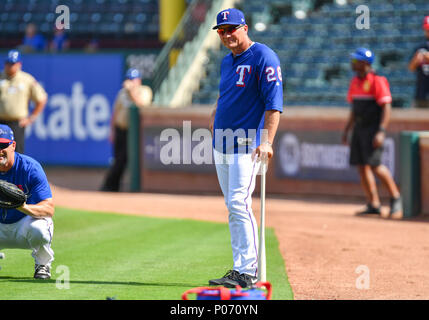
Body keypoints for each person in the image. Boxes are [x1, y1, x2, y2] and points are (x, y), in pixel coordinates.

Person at [208, 8, 283, 288]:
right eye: (221, 30)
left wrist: (267, 141)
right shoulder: (228, 61)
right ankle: (241, 267)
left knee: (239, 203)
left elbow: (273, 103)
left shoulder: (263, 56)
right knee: (232, 205)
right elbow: (226, 94)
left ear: (245, 27)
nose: (227, 34)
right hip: (221, 143)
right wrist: (215, 114)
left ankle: (247, 270)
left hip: (246, 144)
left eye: (231, 28)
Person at [342, 48, 403, 219]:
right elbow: (354, 109)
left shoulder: (377, 80)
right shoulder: (354, 81)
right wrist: (347, 130)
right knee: (362, 166)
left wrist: (381, 131)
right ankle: (373, 203)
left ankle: (396, 198)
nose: (353, 63)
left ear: (366, 63)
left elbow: (386, 107)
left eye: (356, 60)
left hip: (372, 130)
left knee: (376, 166)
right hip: (359, 129)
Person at [0, 125, 54, 279]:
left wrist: (22, 207)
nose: (0, 150)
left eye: (3, 145)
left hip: (22, 226)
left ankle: (43, 264)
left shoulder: (30, 168)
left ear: (13, 146)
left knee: (40, 228)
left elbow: (49, 208)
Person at [100, 68, 153, 192]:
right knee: (117, 159)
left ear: (138, 80)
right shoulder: (122, 93)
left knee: (124, 160)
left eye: (132, 79)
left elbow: (142, 105)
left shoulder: (145, 91)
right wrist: (112, 130)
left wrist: (132, 92)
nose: (130, 82)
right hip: (120, 130)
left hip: (133, 133)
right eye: (128, 79)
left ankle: (111, 186)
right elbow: (115, 112)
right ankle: (112, 186)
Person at [0, 50, 48, 154]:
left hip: (16, 123)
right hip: (0, 121)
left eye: (12, 63)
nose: (9, 66)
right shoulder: (1, 77)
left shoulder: (26, 79)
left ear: (19, 64)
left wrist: (32, 118)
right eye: (7, 63)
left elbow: (41, 98)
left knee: (16, 154)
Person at [408, 16, 429, 109]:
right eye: (427, 29)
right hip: (421, 93)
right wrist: (415, 60)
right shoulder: (420, 47)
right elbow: (411, 68)